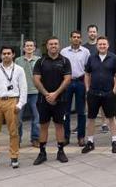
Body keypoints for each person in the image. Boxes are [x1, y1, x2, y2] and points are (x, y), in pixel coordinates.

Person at [32, 37, 72, 165]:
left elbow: (67, 79)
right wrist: (47, 94)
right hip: (43, 100)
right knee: (43, 125)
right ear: (47, 46)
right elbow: (36, 79)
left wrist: (55, 94)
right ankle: (42, 153)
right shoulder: (40, 61)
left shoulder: (65, 61)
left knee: (59, 125)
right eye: (51, 44)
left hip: (61, 99)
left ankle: (61, 151)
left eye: (55, 44)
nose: (53, 46)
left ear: (59, 45)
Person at [82, 36, 116, 154]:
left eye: (104, 44)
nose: (102, 46)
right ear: (97, 45)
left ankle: (114, 141)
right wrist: (87, 89)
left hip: (108, 93)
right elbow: (87, 73)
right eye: (100, 44)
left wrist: (114, 90)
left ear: (108, 45)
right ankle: (90, 142)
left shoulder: (113, 58)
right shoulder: (91, 58)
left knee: (111, 118)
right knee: (91, 118)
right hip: (93, 92)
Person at [60, 30, 90, 146]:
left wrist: (88, 85)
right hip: (67, 82)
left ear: (81, 39)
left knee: (81, 111)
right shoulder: (64, 52)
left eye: (78, 37)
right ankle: (65, 137)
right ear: (70, 39)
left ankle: (81, 137)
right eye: (74, 37)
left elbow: (88, 70)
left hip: (80, 82)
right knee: (65, 111)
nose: (76, 39)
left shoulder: (86, 52)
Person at [15, 40, 40, 147]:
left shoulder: (39, 60)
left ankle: (35, 138)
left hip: (35, 92)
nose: (29, 47)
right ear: (23, 48)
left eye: (31, 46)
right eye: (27, 46)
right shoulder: (18, 60)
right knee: (18, 119)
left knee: (36, 118)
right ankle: (17, 139)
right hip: (21, 94)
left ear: (34, 48)